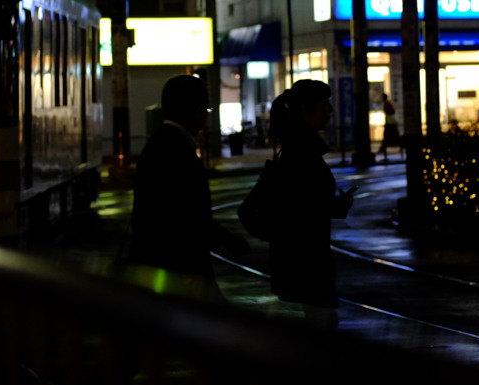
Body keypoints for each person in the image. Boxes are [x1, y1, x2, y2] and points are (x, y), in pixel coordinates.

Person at [128, 73, 249, 300]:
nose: (206, 118)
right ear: (196, 110)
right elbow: (189, 213)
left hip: (160, 261)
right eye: (206, 110)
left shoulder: (158, 143)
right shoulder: (179, 150)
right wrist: (226, 239)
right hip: (179, 264)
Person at [267, 79, 354, 326]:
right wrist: (338, 205)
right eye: (325, 104)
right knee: (320, 332)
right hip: (308, 262)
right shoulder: (302, 153)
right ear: (306, 111)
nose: (330, 110)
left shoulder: (296, 148)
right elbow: (304, 206)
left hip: (303, 261)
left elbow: (305, 201)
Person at [379, 93, 400, 162]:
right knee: (389, 139)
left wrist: (387, 123)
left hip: (390, 124)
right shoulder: (388, 103)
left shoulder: (387, 104)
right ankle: (383, 151)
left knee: (387, 139)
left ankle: (384, 152)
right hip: (391, 124)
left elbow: (389, 114)